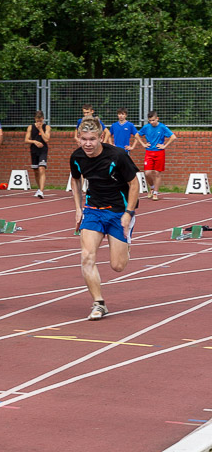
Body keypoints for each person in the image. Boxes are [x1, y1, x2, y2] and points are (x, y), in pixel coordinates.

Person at [70, 119, 139, 321]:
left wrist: (128, 213)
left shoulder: (117, 156)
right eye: (84, 139)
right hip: (93, 210)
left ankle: (125, 244)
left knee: (118, 266)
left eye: (92, 139)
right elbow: (75, 179)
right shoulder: (77, 157)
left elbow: (134, 184)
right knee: (86, 256)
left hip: (118, 211)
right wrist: (78, 208)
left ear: (101, 137)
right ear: (79, 138)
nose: (88, 144)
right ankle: (99, 303)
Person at [134, 111, 176, 201]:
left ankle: (156, 193)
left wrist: (164, 146)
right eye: (150, 120)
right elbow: (137, 135)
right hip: (149, 152)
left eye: (153, 120)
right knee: (147, 173)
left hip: (159, 152)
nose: (151, 122)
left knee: (157, 173)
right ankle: (152, 187)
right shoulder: (146, 127)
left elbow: (173, 137)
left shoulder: (162, 127)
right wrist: (143, 144)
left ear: (157, 119)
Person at [24, 110, 51, 199]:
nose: (39, 122)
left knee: (42, 168)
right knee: (36, 170)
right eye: (37, 120)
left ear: (43, 119)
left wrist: (40, 130)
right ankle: (39, 188)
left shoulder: (47, 127)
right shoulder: (30, 127)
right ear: (35, 119)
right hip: (34, 150)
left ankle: (41, 191)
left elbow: (46, 139)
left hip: (43, 150)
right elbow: (26, 139)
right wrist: (34, 142)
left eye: (40, 120)